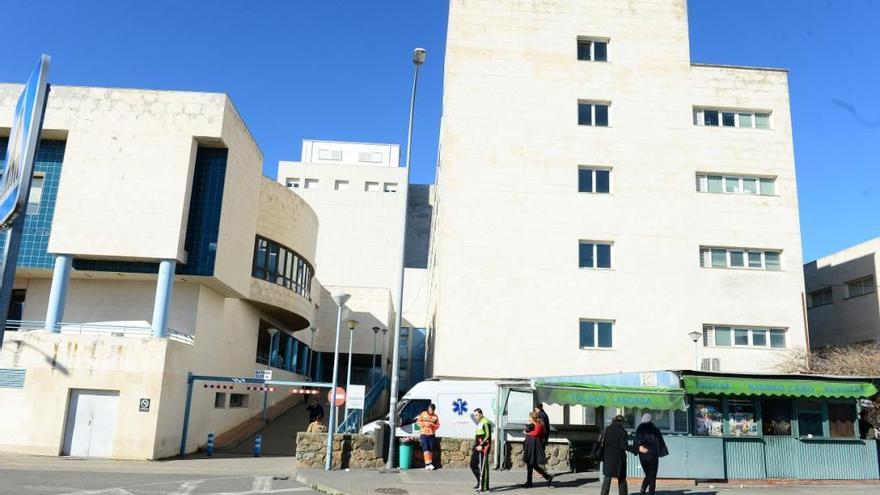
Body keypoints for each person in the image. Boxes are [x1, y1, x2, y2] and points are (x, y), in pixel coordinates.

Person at [635, 413, 668, 495]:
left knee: (648, 474)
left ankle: (642, 490)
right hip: (652, 455)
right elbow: (659, 442)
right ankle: (650, 492)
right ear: (650, 419)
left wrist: (638, 448)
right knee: (652, 476)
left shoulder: (639, 429)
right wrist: (661, 452)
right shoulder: (655, 429)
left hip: (642, 455)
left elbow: (636, 442)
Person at [522, 411, 553, 488]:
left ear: (533, 418)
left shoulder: (539, 425)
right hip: (531, 445)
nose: (528, 419)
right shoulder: (533, 425)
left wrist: (527, 433)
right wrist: (527, 429)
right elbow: (528, 429)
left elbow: (536, 433)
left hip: (534, 446)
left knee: (532, 463)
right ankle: (531, 481)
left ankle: (546, 477)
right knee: (530, 464)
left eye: (529, 417)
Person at [600, 415, 629, 495]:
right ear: (622, 422)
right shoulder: (622, 431)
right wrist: (635, 449)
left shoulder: (607, 429)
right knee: (622, 478)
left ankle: (604, 493)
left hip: (608, 457)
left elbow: (603, 443)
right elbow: (623, 446)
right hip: (619, 458)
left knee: (607, 477)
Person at [470, 408, 492, 493]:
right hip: (477, 445)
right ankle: (480, 481)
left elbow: (488, 436)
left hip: (484, 447)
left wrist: (481, 445)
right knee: (473, 463)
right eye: (474, 415)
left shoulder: (485, 422)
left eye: (476, 415)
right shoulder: (480, 422)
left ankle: (485, 487)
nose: (475, 417)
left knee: (484, 467)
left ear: (481, 414)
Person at [417, 403, 441, 470]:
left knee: (430, 449)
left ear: (434, 410)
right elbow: (418, 422)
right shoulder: (423, 414)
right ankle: (427, 464)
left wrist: (432, 426)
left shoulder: (435, 416)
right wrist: (424, 424)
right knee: (426, 448)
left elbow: (438, 425)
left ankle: (429, 463)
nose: (431, 411)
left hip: (431, 434)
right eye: (430, 410)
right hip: (424, 433)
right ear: (428, 408)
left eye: (432, 411)